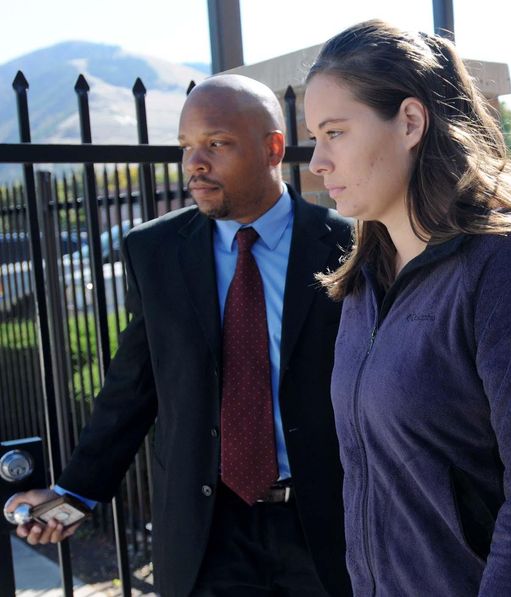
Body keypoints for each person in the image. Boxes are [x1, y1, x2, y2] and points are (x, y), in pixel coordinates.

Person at [4, 74, 352, 597]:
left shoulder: (349, 243)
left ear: (272, 148)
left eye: (216, 144)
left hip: (329, 524)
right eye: (187, 147)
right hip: (205, 532)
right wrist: (76, 492)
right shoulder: (155, 251)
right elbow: (134, 385)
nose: (194, 163)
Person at [303, 20, 511, 597]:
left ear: (411, 122)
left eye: (335, 132)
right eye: (315, 136)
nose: (317, 160)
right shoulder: (367, 279)